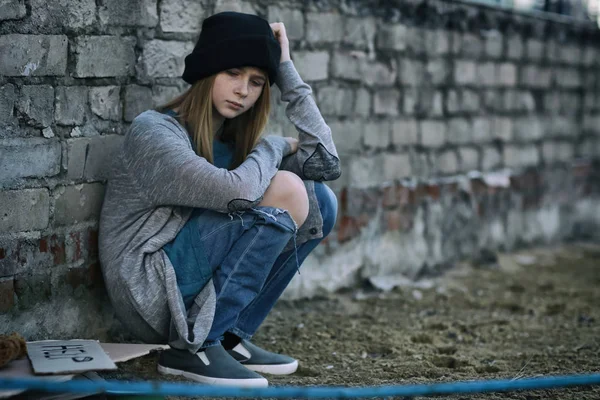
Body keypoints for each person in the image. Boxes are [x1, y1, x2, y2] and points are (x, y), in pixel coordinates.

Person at [98, 11, 341, 388]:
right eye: (233, 73)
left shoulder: (231, 141)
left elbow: (325, 160)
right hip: (149, 289)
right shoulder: (155, 132)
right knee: (287, 189)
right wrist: (272, 145)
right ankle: (194, 347)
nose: (244, 90)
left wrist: (287, 72)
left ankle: (229, 335)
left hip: (184, 272)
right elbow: (237, 192)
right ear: (209, 70)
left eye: (257, 81)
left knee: (320, 201)